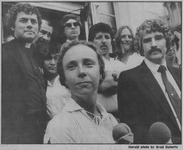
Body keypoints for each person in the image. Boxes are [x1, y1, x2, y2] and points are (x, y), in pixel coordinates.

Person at [117, 19, 181, 144]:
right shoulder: (129, 79)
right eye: (147, 40)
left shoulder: (180, 74)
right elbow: (134, 129)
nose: (153, 44)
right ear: (140, 46)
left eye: (158, 38)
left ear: (167, 42)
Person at [44, 41, 118, 143]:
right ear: (64, 78)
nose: (81, 72)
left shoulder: (111, 121)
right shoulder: (59, 126)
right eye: (72, 67)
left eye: (88, 64)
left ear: (101, 72)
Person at [2, 3, 49, 144]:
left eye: (33, 22)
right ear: (12, 26)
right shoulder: (3, 52)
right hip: (15, 130)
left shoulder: (39, 56)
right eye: (23, 20)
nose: (29, 25)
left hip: (41, 128)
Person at [88, 22, 123, 117]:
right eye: (99, 37)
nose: (103, 41)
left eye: (107, 37)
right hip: (99, 115)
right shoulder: (90, 64)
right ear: (91, 42)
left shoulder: (119, 64)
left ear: (111, 41)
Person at [43, 42, 71, 119]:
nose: (52, 63)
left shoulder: (67, 80)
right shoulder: (40, 83)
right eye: (48, 58)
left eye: (56, 58)